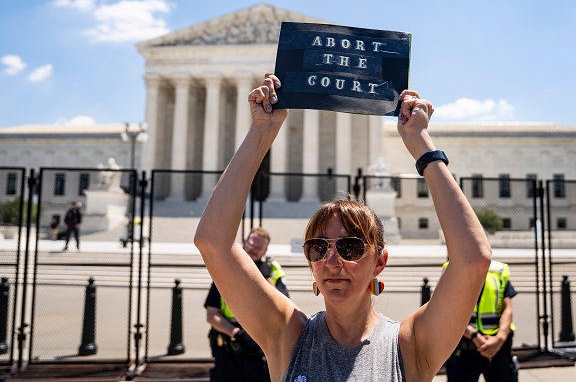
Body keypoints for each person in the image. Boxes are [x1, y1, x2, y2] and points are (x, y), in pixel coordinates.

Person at [194, 74, 492, 381]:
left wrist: (423, 147)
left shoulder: (409, 345)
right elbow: (213, 243)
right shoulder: (286, 334)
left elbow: (473, 261)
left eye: (350, 246)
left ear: (380, 262)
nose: (332, 261)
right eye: (318, 248)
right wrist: (262, 132)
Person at [204, 227, 289, 382]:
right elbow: (211, 315)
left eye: (259, 248)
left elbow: (283, 310)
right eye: (251, 245)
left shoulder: (272, 270)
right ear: (243, 242)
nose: (253, 250)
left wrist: (266, 278)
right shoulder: (225, 269)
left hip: (261, 353)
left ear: (265, 250)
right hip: (230, 353)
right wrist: (236, 333)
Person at [444, 260, 518, 381]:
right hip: (464, 348)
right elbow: (449, 312)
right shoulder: (451, 270)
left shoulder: (498, 270)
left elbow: (507, 308)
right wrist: (474, 336)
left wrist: (500, 338)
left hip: (496, 348)